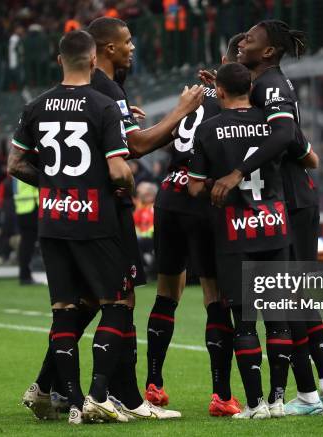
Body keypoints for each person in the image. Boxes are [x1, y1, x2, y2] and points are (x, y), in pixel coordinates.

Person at [203, 19, 323, 413]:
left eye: (249, 39)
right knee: (292, 297)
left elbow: (284, 135)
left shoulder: (270, 85)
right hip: (284, 198)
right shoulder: (266, 85)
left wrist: (236, 172)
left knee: (289, 300)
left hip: (291, 202)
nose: (242, 43)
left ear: (267, 51)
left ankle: (312, 394)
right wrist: (306, 152)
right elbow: (291, 138)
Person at [9, 30, 135, 424]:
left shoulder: (35, 106)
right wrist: (121, 183)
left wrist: (55, 186)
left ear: (59, 61)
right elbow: (119, 170)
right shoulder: (103, 105)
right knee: (116, 304)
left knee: (64, 310)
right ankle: (99, 394)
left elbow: (15, 164)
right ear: (94, 61)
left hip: (53, 222)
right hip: (94, 222)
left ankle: (75, 402)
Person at [188, 62, 323, 419]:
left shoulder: (209, 128)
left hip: (235, 232)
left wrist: (218, 187)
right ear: (251, 86)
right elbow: (309, 157)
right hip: (275, 227)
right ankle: (278, 400)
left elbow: (195, 186)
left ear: (219, 90)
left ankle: (254, 404)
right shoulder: (274, 123)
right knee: (278, 317)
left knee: (244, 321)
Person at [86, 16, 202, 417]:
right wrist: (181, 112)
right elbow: (136, 147)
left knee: (81, 304)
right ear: (108, 48)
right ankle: (123, 398)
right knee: (121, 298)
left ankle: (53, 388)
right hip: (106, 209)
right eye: (127, 41)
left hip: (74, 211)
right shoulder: (106, 86)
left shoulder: (91, 88)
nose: (133, 47)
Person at [145, 33, 245, 416]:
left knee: (167, 293)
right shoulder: (237, 105)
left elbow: (175, 138)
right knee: (214, 296)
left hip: (169, 196)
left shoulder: (196, 96)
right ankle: (221, 395)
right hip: (203, 199)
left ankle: (153, 385)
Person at [12, 177, 38, 285]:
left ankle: (24, 274)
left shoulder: (16, 165)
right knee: (28, 244)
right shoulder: (27, 164)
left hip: (22, 208)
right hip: (32, 206)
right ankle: (25, 275)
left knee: (26, 244)